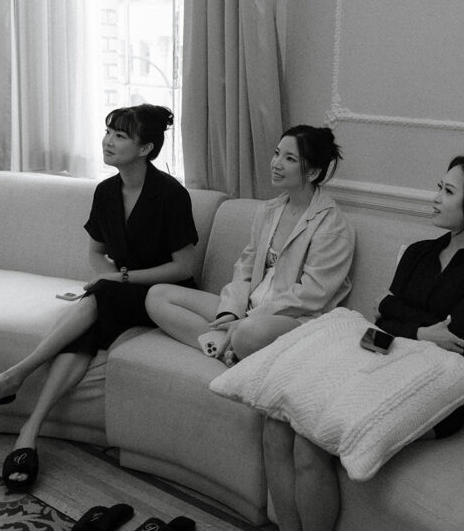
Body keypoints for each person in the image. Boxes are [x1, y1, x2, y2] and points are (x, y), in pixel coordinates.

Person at [263, 155, 464, 531]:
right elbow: (385, 314)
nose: (435, 197)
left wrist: (405, 319)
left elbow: (460, 334)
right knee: (277, 420)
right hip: (385, 361)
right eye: (439, 187)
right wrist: (421, 328)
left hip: (447, 388)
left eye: (448, 191)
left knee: (311, 437)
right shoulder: (419, 251)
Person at [0, 104, 199, 493]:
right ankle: (29, 433)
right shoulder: (105, 192)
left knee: (100, 298)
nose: (108, 141)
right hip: (116, 291)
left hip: (161, 297)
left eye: (120, 136)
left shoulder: (170, 194)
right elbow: (96, 251)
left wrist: (121, 278)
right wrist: (108, 279)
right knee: (88, 327)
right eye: (108, 132)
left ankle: (14, 376)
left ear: (146, 148)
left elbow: (184, 267)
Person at [145, 125, 354, 364]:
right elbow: (245, 266)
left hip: (295, 318)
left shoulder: (333, 226)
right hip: (249, 308)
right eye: (277, 154)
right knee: (157, 295)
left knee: (249, 332)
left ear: (312, 172)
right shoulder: (268, 210)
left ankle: (230, 342)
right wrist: (230, 311)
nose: (276, 164)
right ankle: (225, 346)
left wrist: (250, 318)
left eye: (289, 159)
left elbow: (312, 295)